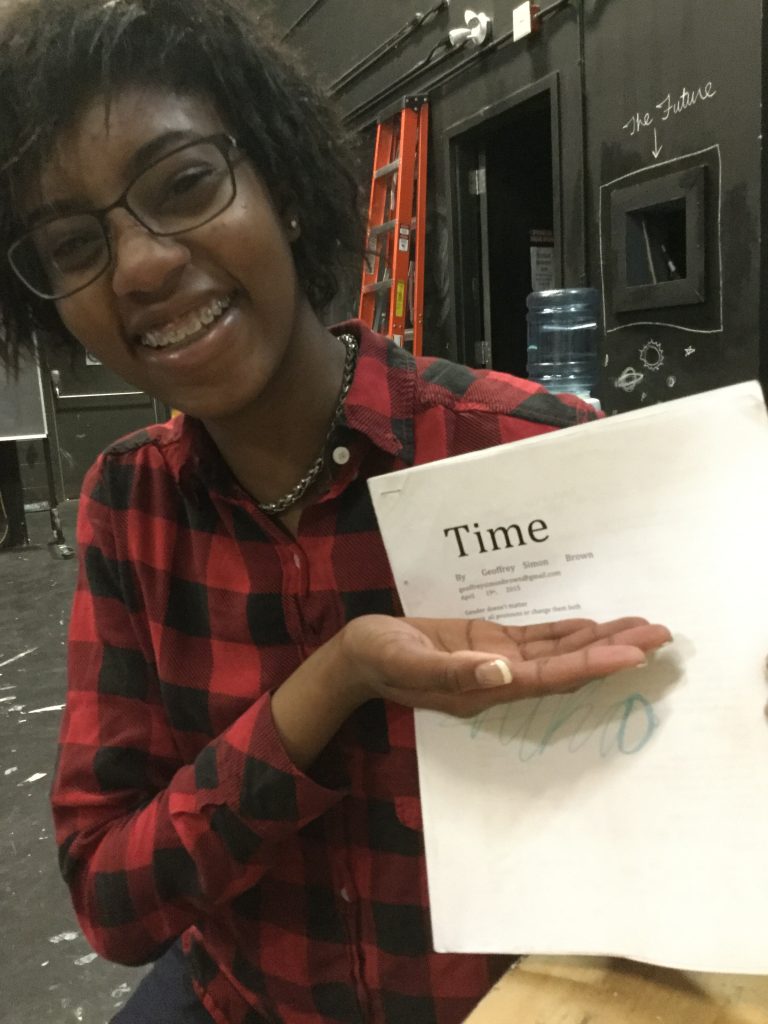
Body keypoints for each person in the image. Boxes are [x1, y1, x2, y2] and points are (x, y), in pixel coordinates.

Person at [0, 2, 671, 1022]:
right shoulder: (127, 508)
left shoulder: (532, 447)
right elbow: (112, 895)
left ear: (287, 189)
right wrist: (336, 680)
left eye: (185, 184)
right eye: (72, 244)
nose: (139, 264)